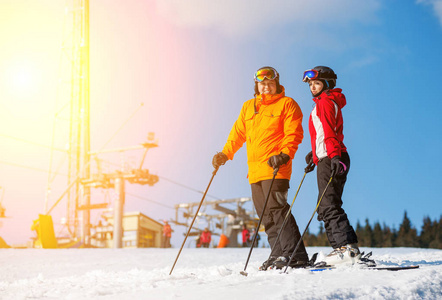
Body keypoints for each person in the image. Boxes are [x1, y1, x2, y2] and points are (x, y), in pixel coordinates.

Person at [212, 66, 309, 270]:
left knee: (278, 210)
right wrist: (225, 153)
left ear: (276, 85)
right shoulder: (248, 107)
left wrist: (284, 154)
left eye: (270, 84)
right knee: (265, 216)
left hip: (276, 167)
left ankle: (295, 255)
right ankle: (278, 254)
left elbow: (294, 133)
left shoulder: (287, 104)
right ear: (257, 85)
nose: (266, 87)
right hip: (254, 172)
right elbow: (237, 134)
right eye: (262, 84)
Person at [302, 66, 360, 266]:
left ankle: (346, 248)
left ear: (327, 84)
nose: (312, 87)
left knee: (329, 205)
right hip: (327, 156)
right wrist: (315, 155)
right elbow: (322, 134)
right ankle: (341, 249)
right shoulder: (323, 102)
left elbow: (329, 132)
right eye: (310, 84)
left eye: (316, 83)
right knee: (325, 206)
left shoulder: (325, 101)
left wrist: (333, 156)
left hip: (332, 156)